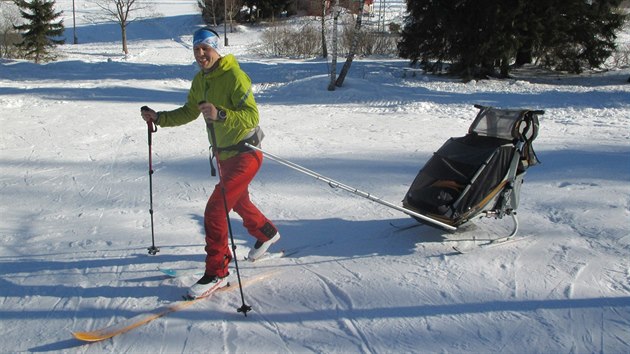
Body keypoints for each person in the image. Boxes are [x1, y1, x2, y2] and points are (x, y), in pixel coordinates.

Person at [140, 27, 280, 299]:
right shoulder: (199, 81)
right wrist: (159, 118)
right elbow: (189, 112)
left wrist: (221, 114)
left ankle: (218, 271)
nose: (201, 54)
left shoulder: (234, 76)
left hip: (246, 152)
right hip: (223, 155)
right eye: (196, 49)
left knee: (216, 210)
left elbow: (251, 116)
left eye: (206, 48)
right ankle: (266, 232)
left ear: (216, 48)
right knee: (237, 201)